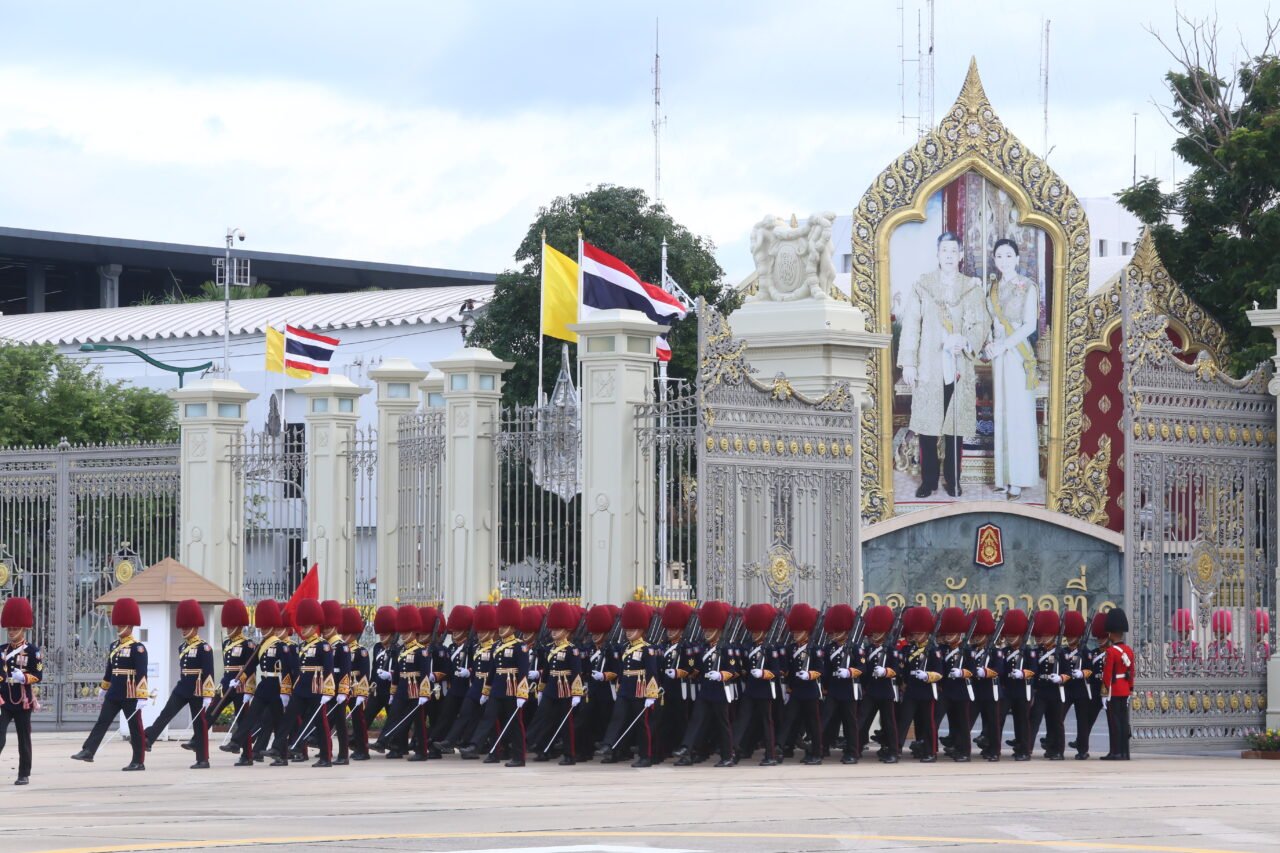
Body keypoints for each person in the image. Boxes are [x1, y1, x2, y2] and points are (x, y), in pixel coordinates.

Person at [897, 231, 988, 498]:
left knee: (955, 428)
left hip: (958, 366)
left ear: (960, 256)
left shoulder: (970, 287)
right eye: (944, 251)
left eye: (953, 251)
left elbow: (981, 322)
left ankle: (953, 480)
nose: (949, 256)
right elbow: (912, 325)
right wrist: (909, 364)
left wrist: (967, 340)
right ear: (938, 255)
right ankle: (928, 482)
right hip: (929, 365)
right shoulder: (922, 285)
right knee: (927, 426)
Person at [984, 237, 1040, 500]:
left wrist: (1004, 344)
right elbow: (988, 321)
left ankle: (1018, 479)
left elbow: (1029, 325)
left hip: (1018, 354)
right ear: (994, 260)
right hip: (998, 355)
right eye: (999, 256)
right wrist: (988, 344)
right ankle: (1002, 476)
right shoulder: (992, 288)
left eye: (1009, 256)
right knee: (1002, 413)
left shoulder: (1028, 287)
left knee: (1018, 415)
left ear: (1017, 259)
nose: (1004, 260)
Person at [72, 597, 149, 771]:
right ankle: (88, 751)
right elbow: (110, 669)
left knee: (135, 728)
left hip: (130, 693)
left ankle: (138, 761)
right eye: (118, 625)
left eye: (122, 625)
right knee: (102, 721)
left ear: (130, 626)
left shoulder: (138, 648)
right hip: (114, 692)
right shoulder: (114, 646)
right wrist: (103, 687)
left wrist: (142, 695)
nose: (119, 628)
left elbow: (142, 674)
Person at [143, 599, 216, 768]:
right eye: (182, 626)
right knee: (166, 713)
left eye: (187, 626)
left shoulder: (204, 648)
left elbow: (209, 674)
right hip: (183, 687)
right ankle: (149, 739)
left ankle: (202, 759)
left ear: (196, 627)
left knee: (200, 724)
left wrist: (208, 694)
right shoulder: (182, 647)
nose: (183, 629)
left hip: (198, 689)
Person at [462, 598, 529, 767]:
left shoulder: (520, 646)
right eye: (500, 625)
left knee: (514, 724)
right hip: (497, 688)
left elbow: (523, 672)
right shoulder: (497, 646)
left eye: (504, 626)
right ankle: (480, 748)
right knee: (488, 719)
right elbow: (492, 670)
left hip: (512, 689)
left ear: (513, 627)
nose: (501, 629)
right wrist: (486, 691)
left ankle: (519, 757)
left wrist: (522, 693)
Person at [673, 600, 738, 768]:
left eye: (710, 630)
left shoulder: (726, 648)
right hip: (705, 690)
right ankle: (687, 748)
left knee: (722, 724)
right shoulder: (702, 647)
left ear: (719, 630)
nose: (707, 632)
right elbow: (695, 668)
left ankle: (727, 756)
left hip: (720, 691)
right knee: (696, 720)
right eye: (706, 629)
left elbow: (733, 670)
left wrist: (721, 675)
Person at [235, 599, 295, 767]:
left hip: (276, 686)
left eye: (264, 627)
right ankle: (236, 742)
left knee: (276, 722)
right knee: (251, 716)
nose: (262, 630)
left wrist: (286, 691)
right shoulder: (262, 645)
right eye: (261, 627)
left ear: (273, 627)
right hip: (264, 684)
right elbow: (251, 665)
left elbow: (289, 670)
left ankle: (282, 756)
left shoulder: (281, 646)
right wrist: (239, 678)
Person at [599, 602, 660, 767]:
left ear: (641, 630)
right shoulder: (625, 648)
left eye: (632, 630)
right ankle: (609, 745)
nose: (628, 633)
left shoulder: (648, 649)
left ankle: (645, 756)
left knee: (641, 725)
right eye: (627, 630)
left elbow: (652, 673)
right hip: (625, 688)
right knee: (617, 718)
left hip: (640, 690)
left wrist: (651, 695)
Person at [526, 602, 583, 764]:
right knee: (544, 720)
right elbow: (546, 670)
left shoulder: (572, 650)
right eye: (553, 628)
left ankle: (569, 754)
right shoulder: (549, 649)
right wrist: (541, 689)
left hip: (565, 690)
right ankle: (544, 750)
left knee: (566, 725)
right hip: (551, 689)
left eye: (557, 629)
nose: (554, 631)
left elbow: (576, 673)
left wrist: (577, 693)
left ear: (566, 630)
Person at [734, 603, 781, 766]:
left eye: (756, 631)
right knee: (742, 719)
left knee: (766, 722)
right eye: (752, 631)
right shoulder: (749, 647)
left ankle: (771, 755)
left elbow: (776, 672)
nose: (754, 634)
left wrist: (763, 673)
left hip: (765, 689)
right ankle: (734, 749)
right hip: (751, 689)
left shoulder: (771, 649)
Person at [374, 605, 424, 759]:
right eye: (402, 631)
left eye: (406, 632)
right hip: (402, 688)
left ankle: (422, 751)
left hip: (415, 689)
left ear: (414, 632)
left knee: (417, 721)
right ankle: (383, 742)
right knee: (394, 716)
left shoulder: (421, 650)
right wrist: (392, 692)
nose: (403, 635)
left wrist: (424, 692)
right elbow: (397, 672)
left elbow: (425, 674)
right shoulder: (401, 650)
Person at [0, 597, 41, 785]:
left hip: (23, 700)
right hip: (4, 700)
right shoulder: (1, 650)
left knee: (24, 739)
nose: (11, 632)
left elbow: (38, 675)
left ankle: (24, 773)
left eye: (15, 629)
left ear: (23, 629)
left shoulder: (32, 651)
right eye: (9, 629)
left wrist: (23, 678)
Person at [291, 598, 336, 767]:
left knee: (321, 723)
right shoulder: (303, 646)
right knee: (303, 719)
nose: (302, 629)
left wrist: (327, 692)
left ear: (314, 626)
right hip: (304, 688)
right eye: (301, 626)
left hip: (318, 688)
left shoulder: (323, 646)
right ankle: (299, 748)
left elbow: (328, 669)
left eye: (305, 626)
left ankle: (326, 757)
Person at [777, 602, 824, 765]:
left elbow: (820, 669)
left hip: (810, 690)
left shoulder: (814, 649)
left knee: (813, 723)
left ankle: (817, 753)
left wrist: (809, 674)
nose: (796, 634)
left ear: (807, 631)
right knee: (788, 719)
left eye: (799, 631)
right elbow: (787, 668)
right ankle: (779, 747)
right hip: (796, 690)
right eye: (794, 631)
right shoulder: (790, 648)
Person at [820, 604, 864, 765]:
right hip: (833, 688)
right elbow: (825, 669)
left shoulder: (855, 648)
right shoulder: (829, 648)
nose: (835, 634)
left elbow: (862, 668)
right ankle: (820, 748)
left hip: (848, 688)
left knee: (849, 722)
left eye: (839, 631)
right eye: (834, 631)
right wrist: (824, 686)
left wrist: (850, 672)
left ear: (846, 631)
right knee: (825, 719)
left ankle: (852, 752)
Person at [898, 606, 943, 762]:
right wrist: (902, 682)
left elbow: (939, 673)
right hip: (911, 690)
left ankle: (930, 752)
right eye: (914, 633)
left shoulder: (933, 650)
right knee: (903, 720)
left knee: (928, 723)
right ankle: (895, 749)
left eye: (919, 633)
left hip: (926, 690)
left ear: (927, 633)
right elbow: (904, 669)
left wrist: (927, 675)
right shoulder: (910, 650)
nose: (916, 636)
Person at [858, 605, 901, 764]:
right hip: (870, 691)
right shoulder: (868, 650)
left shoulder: (891, 650)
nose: (875, 634)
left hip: (885, 691)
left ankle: (893, 752)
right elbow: (863, 669)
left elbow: (896, 670)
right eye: (873, 631)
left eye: (878, 631)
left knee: (889, 723)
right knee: (862, 720)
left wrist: (885, 672)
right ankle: (855, 747)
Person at [216, 598, 257, 758]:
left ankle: (247, 755)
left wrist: (243, 681)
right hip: (228, 683)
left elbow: (251, 666)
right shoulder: (226, 643)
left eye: (231, 626)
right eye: (227, 626)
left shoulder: (248, 645)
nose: (228, 629)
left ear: (239, 626)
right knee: (213, 711)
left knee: (242, 720)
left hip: (241, 685)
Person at [655, 601, 695, 763]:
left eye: (674, 628)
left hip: (680, 688)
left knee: (680, 722)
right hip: (664, 688)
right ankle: (663, 750)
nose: (670, 631)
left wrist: (679, 672)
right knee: (663, 721)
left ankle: (684, 752)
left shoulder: (686, 647)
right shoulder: (662, 645)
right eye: (669, 628)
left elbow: (693, 669)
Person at [1029, 609, 1070, 760]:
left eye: (1047, 635)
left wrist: (1060, 678)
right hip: (1041, 691)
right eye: (1043, 635)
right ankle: (1028, 748)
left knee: (1056, 723)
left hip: (1055, 691)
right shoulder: (1037, 652)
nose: (1044, 638)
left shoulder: (1061, 653)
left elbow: (1068, 674)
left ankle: (1057, 750)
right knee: (1034, 720)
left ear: (1054, 635)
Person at [935, 607, 973, 762]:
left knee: (962, 723)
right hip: (946, 691)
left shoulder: (967, 651)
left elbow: (972, 671)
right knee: (936, 718)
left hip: (961, 690)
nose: (948, 636)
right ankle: (931, 747)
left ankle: (964, 751)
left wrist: (962, 672)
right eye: (947, 634)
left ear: (959, 634)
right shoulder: (942, 650)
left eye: (952, 634)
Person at [965, 608, 1003, 762]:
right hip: (974, 691)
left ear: (987, 635)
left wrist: (986, 672)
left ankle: (994, 751)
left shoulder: (995, 651)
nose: (975, 638)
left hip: (989, 691)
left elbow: (999, 669)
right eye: (974, 635)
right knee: (967, 721)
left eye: (979, 635)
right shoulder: (971, 650)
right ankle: (963, 748)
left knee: (993, 723)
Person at [998, 609, 1035, 761]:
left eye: (1013, 635)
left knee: (1021, 721)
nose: (1010, 638)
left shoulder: (1028, 651)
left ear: (1021, 635)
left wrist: (1023, 673)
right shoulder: (1005, 651)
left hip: (1022, 690)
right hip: (1007, 690)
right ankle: (994, 747)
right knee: (999, 718)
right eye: (1008, 635)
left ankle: (1024, 750)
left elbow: (1034, 670)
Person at [1100, 607, 1135, 761]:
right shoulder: (1128, 650)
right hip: (1125, 689)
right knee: (1123, 722)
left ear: (1112, 634)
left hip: (1113, 691)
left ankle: (1115, 752)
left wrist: (1104, 693)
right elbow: (1131, 672)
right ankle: (1124, 752)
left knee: (1114, 724)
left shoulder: (1111, 652)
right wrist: (1130, 689)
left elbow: (1107, 675)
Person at [320, 601, 352, 765]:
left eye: (328, 626)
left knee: (340, 723)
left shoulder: (341, 646)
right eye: (323, 627)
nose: (325, 630)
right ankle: (326, 751)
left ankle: (344, 754)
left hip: (338, 688)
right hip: (326, 688)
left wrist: (342, 691)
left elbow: (346, 670)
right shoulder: (324, 645)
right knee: (325, 721)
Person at [341, 606, 372, 761]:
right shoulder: (341, 648)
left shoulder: (361, 651)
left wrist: (362, 693)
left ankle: (363, 749)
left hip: (355, 689)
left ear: (353, 634)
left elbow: (365, 674)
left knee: (358, 721)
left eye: (346, 633)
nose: (343, 636)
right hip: (343, 688)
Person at [366, 606, 399, 735]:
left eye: (385, 634)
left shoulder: (398, 648)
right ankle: (358, 742)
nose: (381, 636)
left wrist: (390, 675)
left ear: (392, 634)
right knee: (367, 715)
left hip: (391, 689)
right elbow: (374, 668)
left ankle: (396, 745)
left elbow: (400, 669)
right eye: (380, 633)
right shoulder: (377, 648)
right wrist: (370, 685)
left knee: (393, 719)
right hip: (377, 689)